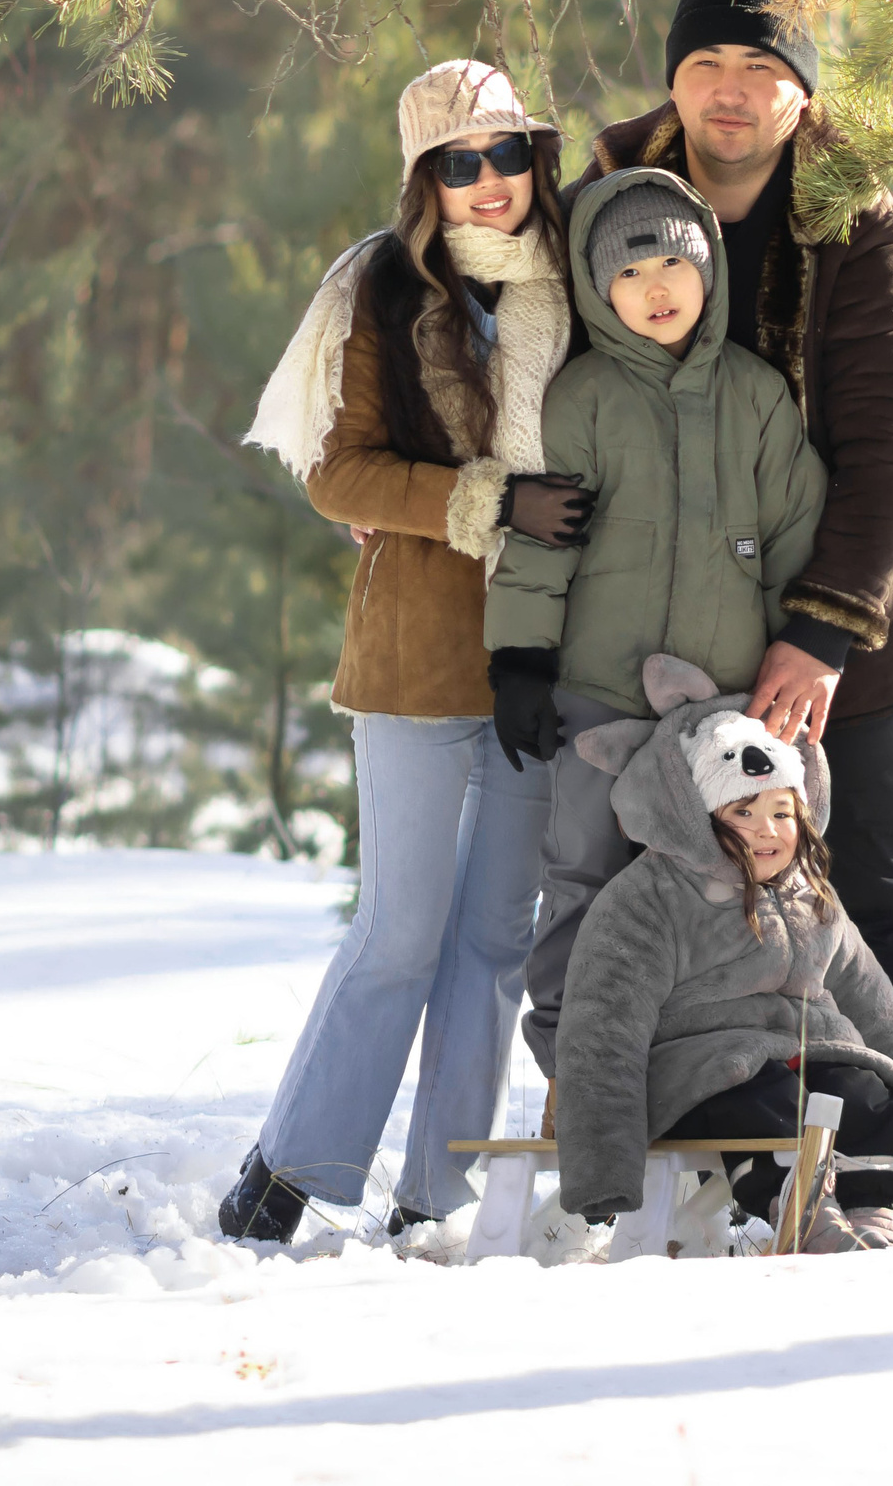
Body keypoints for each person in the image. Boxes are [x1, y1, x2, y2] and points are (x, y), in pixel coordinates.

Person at [528, 0, 893, 1152]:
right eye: (706, 67)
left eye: (761, 69)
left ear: (798, 89)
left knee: (874, 884)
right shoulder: (606, 202)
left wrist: (824, 629)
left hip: (836, 632)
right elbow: (517, 361)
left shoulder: (859, 221)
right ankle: (727, 1146)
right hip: (655, 640)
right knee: (657, 902)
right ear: (673, 78)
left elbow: (890, 443)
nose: (731, 94)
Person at [224, 60, 594, 1243]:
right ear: (423, 181)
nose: (488, 182)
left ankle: (439, 1196)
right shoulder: (382, 288)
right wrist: (492, 498)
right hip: (416, 650)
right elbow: (342, 472)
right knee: (400, 928)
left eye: (507, 153)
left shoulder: (583, 281)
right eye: (457, 161)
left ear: (538, 156)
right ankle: (286, 1168)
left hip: (545, 649)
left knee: (495, 937)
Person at [481, 160, 825, 891]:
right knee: (584, 872)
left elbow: (793, 536)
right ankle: (565, 1012)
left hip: (726, 702)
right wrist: (521, 662)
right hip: (598, 689)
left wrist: (789, 655)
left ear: (708, 264)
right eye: (631, 272)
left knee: (721, 881)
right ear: (601, 290)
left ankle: (718, 1012)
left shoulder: (756, 395)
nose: (657, 287)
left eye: (673, 261)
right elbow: (543, 545)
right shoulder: (583, 398)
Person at [549, 657, 893, 1253]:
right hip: (701, 1071)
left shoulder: (812, 893)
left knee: (874, 1098)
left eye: (781, 813)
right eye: (744, 813)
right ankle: (801, 1209)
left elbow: (874, 1002)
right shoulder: (649, 899)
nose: (768, 832)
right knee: (766, 1109)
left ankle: (874, 1212)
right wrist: (602, 1166)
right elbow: (602, 1027)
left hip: (811, 1054)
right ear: (699, 817)